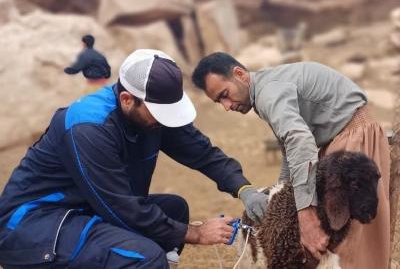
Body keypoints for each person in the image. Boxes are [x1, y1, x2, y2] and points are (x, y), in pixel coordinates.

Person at [0, 49, 267, 268]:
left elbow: (203, 154)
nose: (165, 121)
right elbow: (121, 207)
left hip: (85, 210)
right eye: (159, 114)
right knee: (145, 256)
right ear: (127, 100)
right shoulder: (89, 128)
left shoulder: (151, 114)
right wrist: (196, 233)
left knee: (173, 209)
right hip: (34, 225)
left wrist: (244, 190)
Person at [191, 52, 390, 269]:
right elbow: (290, 148)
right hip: (338, 142)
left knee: (349, 246)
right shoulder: (266, 88)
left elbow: (300, 141)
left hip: (352, 142)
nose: (226, 106)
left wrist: (306, 217)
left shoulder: (268, 92)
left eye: (225, 94)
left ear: (240, 74)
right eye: (219, 101)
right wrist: (281, 195)